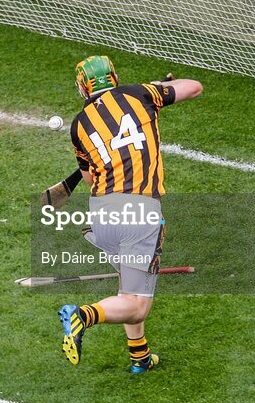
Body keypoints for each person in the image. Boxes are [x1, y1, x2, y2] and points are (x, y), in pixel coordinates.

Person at [59, 56, 203, 374]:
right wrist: (159, 88)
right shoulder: (139, 94)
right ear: (113, 77)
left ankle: (140, 356)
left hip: (102, 212)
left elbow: (89, 178)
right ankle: (82, 315)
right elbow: (194, 87)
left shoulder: (79, 125)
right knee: (137, 307)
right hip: (139, 212)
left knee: (129, 287)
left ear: (84, 87)